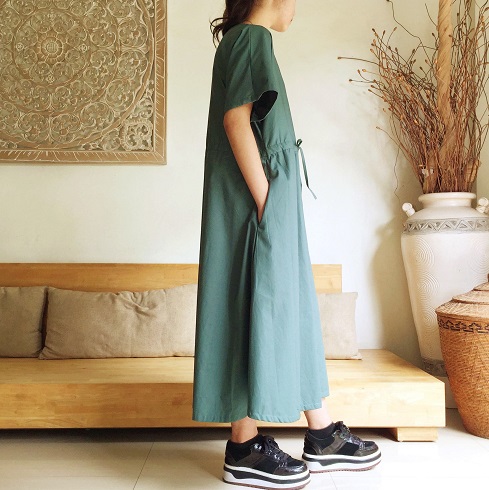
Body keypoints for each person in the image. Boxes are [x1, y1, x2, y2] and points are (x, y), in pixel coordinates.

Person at [193, 1, 381, 488]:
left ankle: (300, 436)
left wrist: (270, 200)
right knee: (268, 307)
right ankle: (268, 443)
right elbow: (237, 121)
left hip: (257, 202)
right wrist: (266, 200)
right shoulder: (250, 39)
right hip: (256, 203)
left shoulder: (241, 40)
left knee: (276, 307)